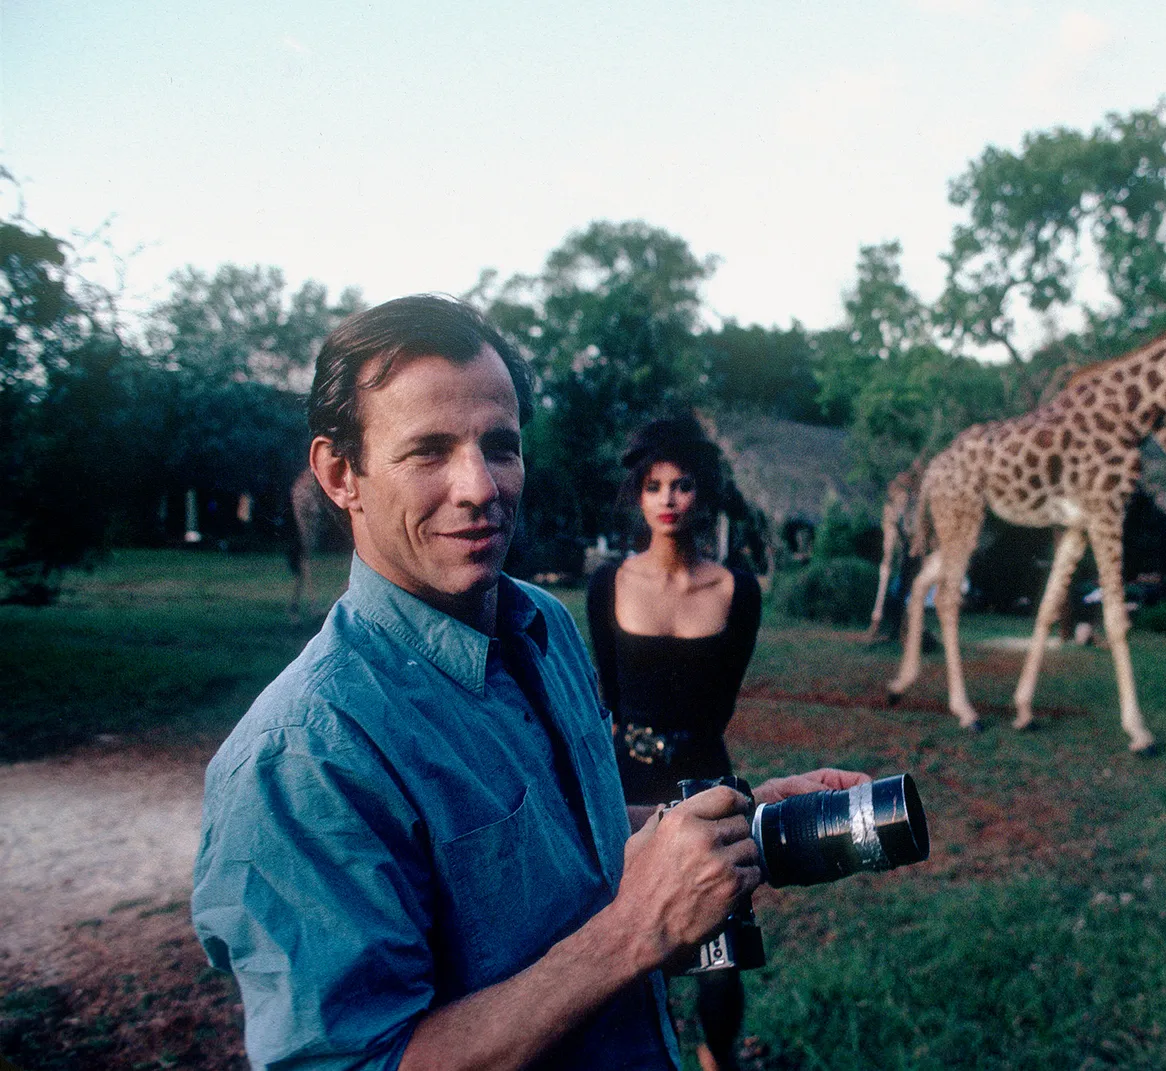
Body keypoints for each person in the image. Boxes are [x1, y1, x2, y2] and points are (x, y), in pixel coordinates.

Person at [191, 295, 866, 1071]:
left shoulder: (541, 626)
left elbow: (561, 840)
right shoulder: (302, 759)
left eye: (500, 445)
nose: (480, 485)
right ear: (342, 473)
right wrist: (633, 929)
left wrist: (726, 821)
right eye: (429, 451)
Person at [587, 416, 758, 1071]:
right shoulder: (609, 583)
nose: (667, 498)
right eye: (654, 485)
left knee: (721, 957)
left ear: (700, 494)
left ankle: (719, 1059)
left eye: (681, 485)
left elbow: (723, 701)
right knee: (630, 948)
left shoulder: (737, 591)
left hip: (706, 775)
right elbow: (609, 697)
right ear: (638, 494)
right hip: (625, 777)